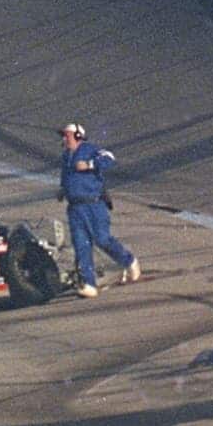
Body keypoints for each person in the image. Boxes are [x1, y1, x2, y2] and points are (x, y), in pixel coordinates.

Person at [57, 122, 138, 298]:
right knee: (81, 246)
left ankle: (128, 260)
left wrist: (89, 164)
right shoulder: (66, 156)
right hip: (75, 208)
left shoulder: (89, 149)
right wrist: (63, 189)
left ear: (78, 136)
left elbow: (109, 158)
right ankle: (88, 283)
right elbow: (66, 176)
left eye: (67, 135)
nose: (64, 139)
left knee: (102, 239)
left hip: (93, 205)